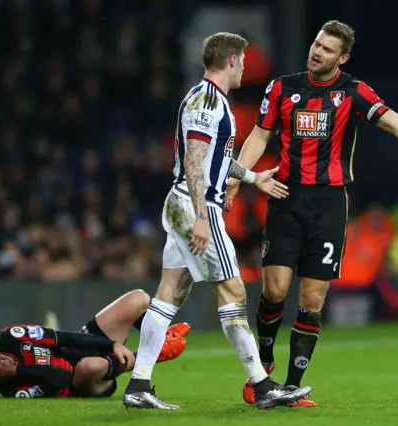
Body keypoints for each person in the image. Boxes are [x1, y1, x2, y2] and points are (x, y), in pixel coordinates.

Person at [225, 20, 398, 407]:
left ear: (342, 58)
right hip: (285, 197)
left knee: (312, 299)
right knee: (274, 290)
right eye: (316, 44)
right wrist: (239, 178)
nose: (317, 51)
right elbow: (260, 135)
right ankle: (261, 372)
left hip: (330, 204)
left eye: (327, 49)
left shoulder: (352, 92)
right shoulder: (281, 87)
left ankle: (292, 385)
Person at [121, 32, 311, 410]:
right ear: (230, 60)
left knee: (168, 293)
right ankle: (262, 386)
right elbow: (194, 161)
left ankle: (138, 385)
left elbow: (215, 160)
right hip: (196, 208)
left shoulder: (208, 99)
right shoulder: (209, 103)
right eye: (242, 60)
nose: (245, 66)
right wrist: (204, 216)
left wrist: (254, 178)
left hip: (182, 206)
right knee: (234, 293)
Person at [0, 289, 189, 398]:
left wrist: (111, 345)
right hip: (84, 383)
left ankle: (159, 337)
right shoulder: (13, 389)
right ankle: (152, 354)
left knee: (137, 299)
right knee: (87, 367)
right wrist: (17, 370)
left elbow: (64, 337)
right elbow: (62, 379)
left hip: (80, 349)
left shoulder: (10, 337)